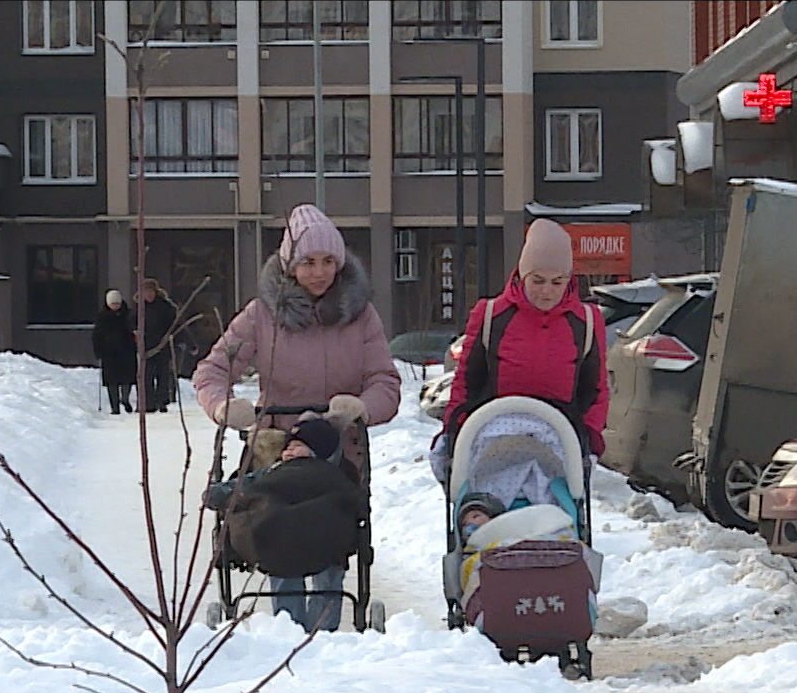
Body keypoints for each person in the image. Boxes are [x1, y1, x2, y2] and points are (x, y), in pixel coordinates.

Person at [194, 204, 399, 631]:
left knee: (331, 530)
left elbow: (385, 382)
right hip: (276, 449)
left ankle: (324, 625)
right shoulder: (261, 316)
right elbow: (213, 370)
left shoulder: (361, 317)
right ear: (290, 264)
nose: (319, 272)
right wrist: (221, 405)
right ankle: (286, 626)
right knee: (280, 529)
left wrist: (361, 407)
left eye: (328, 262)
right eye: (308, 262)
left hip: (336, 449)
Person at [431, 219, 610, 483]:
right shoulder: (493, 315)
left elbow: (594, 389)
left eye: (557, 282)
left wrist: (588, 441)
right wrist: (454, 433)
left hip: (559, 440)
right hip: (494, 435)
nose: (547, 291)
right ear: (522, 275)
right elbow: (467, 381)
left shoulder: (586, 322)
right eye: (537, 281)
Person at [204, 415, 364, 633]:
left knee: (317, 569)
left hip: (318, 533)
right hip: (281, 533)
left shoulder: (334, 474)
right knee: (284, 555)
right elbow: (230, 490)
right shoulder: (272, 471)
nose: (288, 452)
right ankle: (292, 626)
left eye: (297, 447)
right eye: (287, 447)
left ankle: (316, 628)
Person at [93, 289, 139, 414]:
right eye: (113, 304)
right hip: (109, 354)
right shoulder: (102, 317)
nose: (115, 306)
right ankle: (115, 407)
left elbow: (133, 329)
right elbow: (96, 336)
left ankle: (125, 399)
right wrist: (98, 352)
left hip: (126, 351)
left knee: (127, 378)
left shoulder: (128, 314)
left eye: (117, 304)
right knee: (111, 381)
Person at [138, 278, 179, 413]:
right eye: (146, 292)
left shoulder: (164, 306)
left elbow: (174, 324)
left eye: (151, 292)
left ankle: (162, 401)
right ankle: (148, 403)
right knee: (147, 376)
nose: (149, 295)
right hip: (147, 348)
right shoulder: (139, 308)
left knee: (163, 375)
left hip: (162, 346)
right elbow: (131, 322)